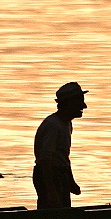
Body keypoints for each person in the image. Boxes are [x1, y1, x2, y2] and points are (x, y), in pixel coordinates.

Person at [33, 81, 88, 209]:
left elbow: (63, 156)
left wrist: (70, 180)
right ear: (69, 103)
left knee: (63, 211)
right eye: (79, 101)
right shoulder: (53, 125)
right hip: (49, 175)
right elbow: (45, 160)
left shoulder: (66, 124)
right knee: (53, 212)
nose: (84, 106)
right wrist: (51, 190)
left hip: (60, 174)